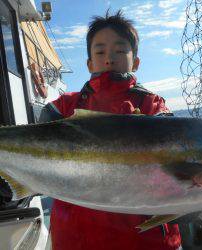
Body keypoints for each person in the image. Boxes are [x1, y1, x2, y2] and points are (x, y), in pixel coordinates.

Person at [46, 10, 182, 250]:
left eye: (120, 51)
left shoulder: (152, 105)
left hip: (144, 240)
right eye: (100, 52)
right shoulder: (64, 107)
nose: (109, 58)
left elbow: (172, 153)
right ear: (89, 63)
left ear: (136, 61)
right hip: (77, 239)